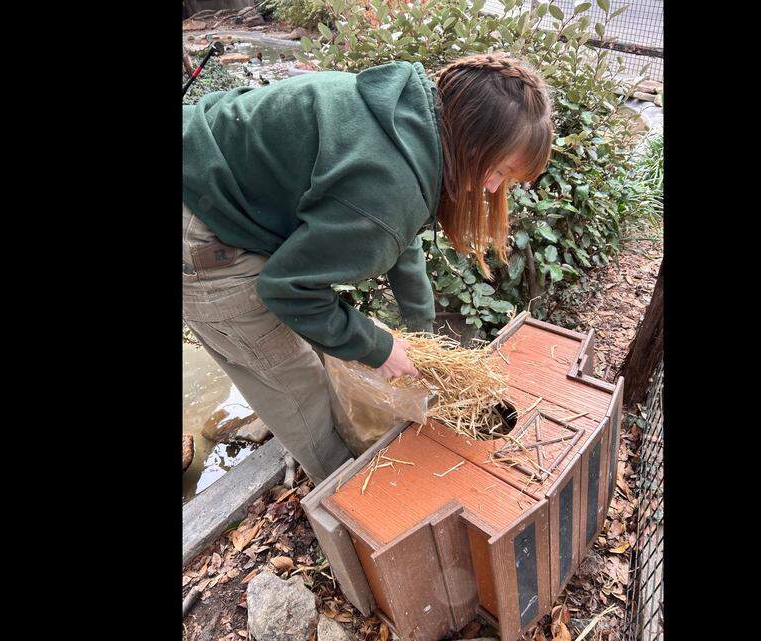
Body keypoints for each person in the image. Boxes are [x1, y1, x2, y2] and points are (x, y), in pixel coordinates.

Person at [182, 53, 552, 484]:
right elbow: (286, 289)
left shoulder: (412, 117)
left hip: (208, 163)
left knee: (318, 348)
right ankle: (350, 495)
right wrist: (378, 348)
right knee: (296, 385)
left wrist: (420, 331)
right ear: (472, 139)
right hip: (199, 225)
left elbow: (404, 240)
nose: (492, 188)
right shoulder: (385, 194)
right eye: (499, 170)